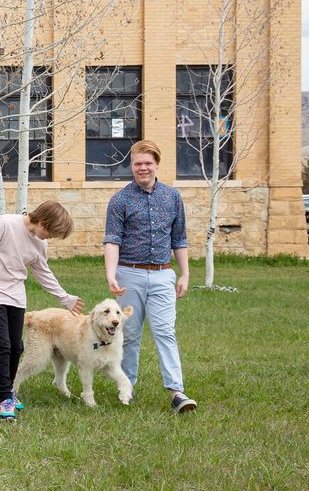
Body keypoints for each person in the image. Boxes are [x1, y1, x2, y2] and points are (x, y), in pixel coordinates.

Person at [0, 200, 84, 420]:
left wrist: (66, 298)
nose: (49, 239)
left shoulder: (39, 243)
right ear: (43, 222)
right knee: (2, 345)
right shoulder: (4, 224)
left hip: (15, 295)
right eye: (50, 233)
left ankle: (4, 393)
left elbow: (43, 273)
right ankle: (6, 397)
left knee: (16, 347)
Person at [103, 139, 198, 414]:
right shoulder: (120, 200)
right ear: (131, 166)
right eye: (137, 164)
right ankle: (127, 388)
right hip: (129, 274)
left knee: (165, 332)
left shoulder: (172, 197)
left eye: (147, 163)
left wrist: (185, 274)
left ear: (157, 164)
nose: (142, 168)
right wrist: (112, 274)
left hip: (162, 275)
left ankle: (177, 391)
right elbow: (112, 240)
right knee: (129, 334)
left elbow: (179, 238)